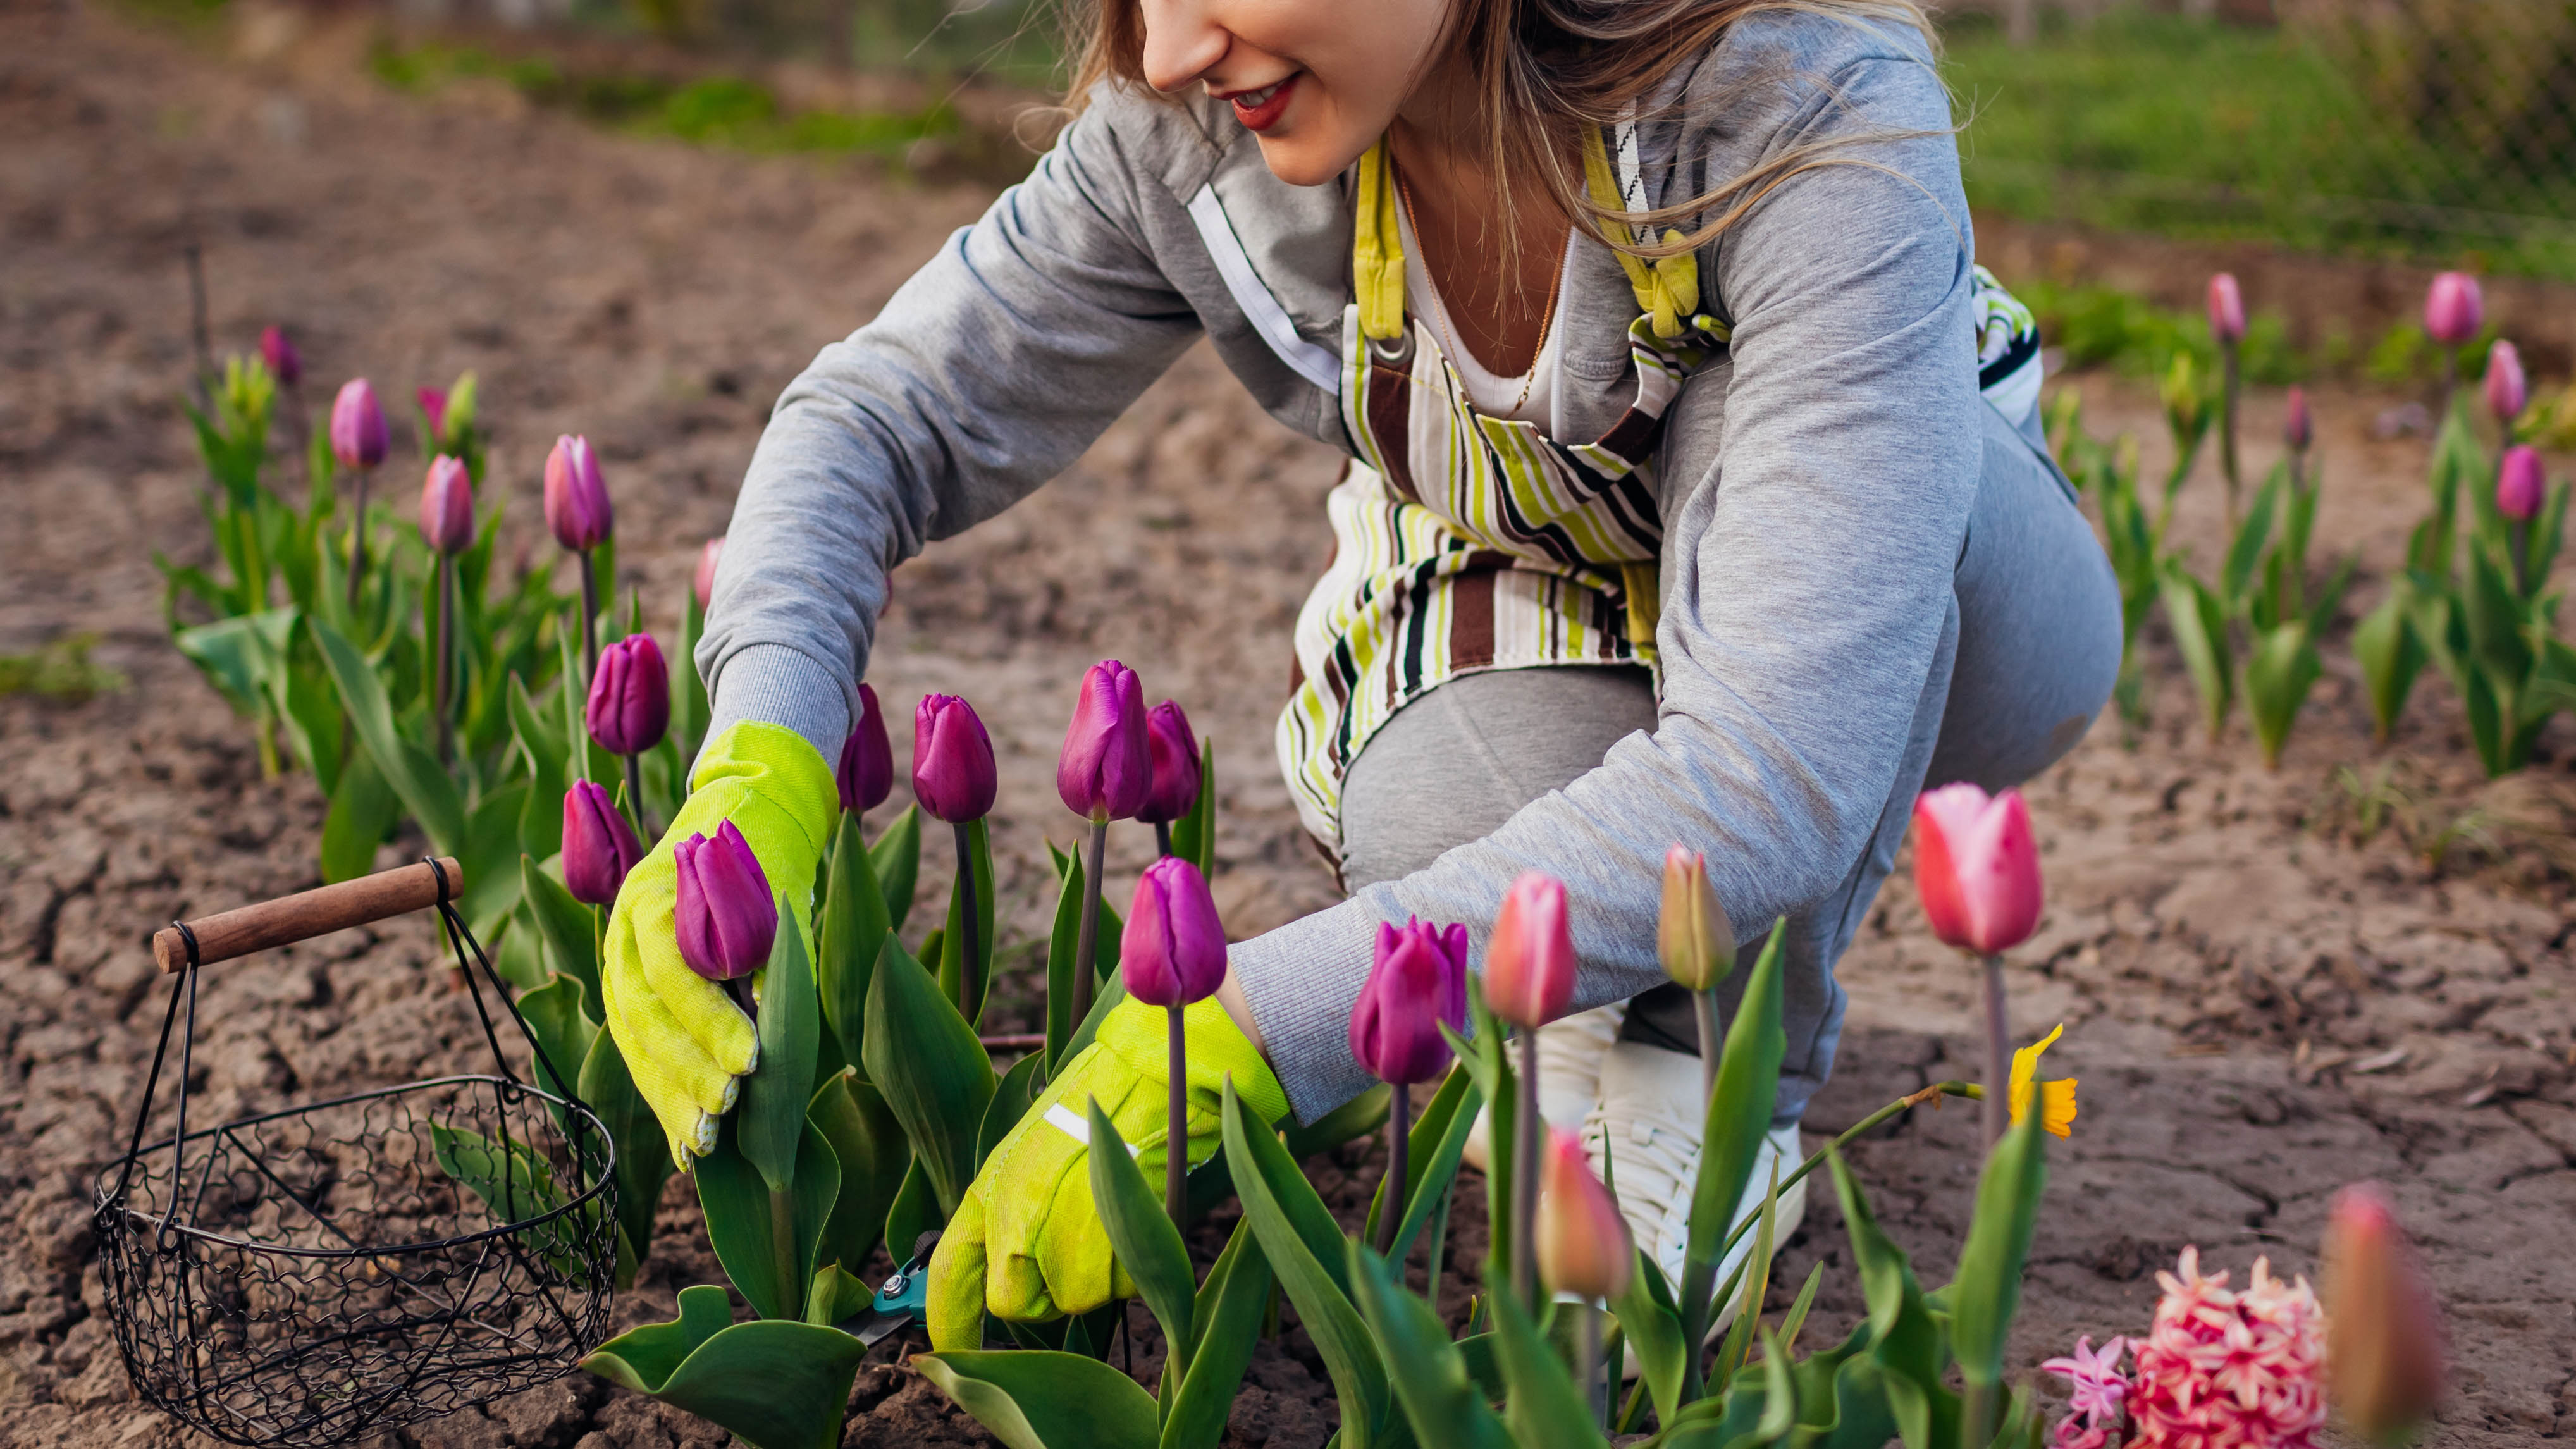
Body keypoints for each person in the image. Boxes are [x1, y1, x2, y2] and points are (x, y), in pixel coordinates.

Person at [596, 0, 2121, 1350]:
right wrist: (761, 755)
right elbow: (873, 422)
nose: (1167, 44)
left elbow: (1788, 755)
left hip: (1930, 600)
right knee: (1423, 854)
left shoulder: (1797, 98)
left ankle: (1712, 1075)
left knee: (1757, 691)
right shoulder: (1188, 129)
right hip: (1537, 576)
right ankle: (1583, 995)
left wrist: (1264, 1018)